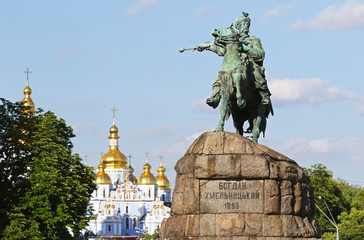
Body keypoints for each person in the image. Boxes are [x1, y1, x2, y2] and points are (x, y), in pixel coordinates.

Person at [206, 12, 271, 107]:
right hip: (232, 65)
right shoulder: (232, 39)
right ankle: (215, 97)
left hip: (249, 64)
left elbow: (260, 54)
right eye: (242, 24)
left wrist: (247, 48)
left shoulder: (254, 40)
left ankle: (264, 95)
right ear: (238, 26)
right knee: (219, 77)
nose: (245, 26)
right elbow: (221, 50)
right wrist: (208, 46)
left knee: (257, 74)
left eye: (247, 24)